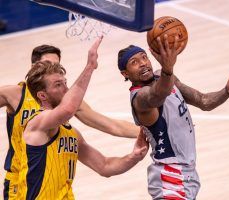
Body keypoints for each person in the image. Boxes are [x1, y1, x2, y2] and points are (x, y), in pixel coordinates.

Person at [117, 35, 229, 200]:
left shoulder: (165, 79)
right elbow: (158, 95)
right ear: (125, 73)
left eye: (144, 57)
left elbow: (204, 101)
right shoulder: (139, 98)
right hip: (171, 178)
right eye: (134, 62)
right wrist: (167, 69)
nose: (143, 63)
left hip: (186, 175)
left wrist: (226, 92)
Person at [0, 44, 139, 199]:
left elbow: (105, 162)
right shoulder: (24, 104)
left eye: (57, 66)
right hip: (18, 179)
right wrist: (90, 66)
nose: (66, 89)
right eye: (47, 64)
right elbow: (67, 109)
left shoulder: (71, 129)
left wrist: (146, 137)